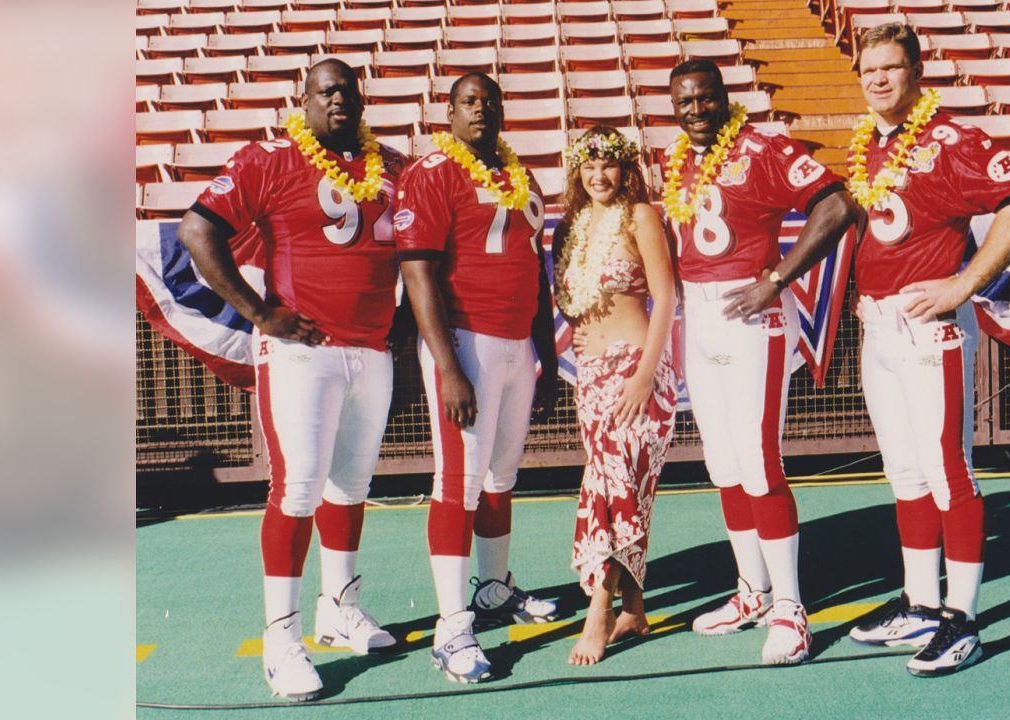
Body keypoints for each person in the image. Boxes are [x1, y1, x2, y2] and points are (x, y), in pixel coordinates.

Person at [177, 59, 405, 701]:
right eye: (325, 91)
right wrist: (260, 312)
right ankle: (281, 638)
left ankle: (339, 607)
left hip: (372, 347)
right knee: (298, 487)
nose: (339, 99)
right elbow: (198, 231)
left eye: (348, 90)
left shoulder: (389, 164)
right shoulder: (267, 159)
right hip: (303, 350)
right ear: (301, 100)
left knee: (351, 484)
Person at [843, 22, 1010, 677]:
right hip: (880, 329)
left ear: (916, 71)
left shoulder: (949, 138)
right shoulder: (870, 145)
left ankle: (963, 619)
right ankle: (920, 602)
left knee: (947, 471)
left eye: (890, 68)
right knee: (903, 472)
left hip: (929, 331)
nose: (877, 79)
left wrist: (964, 281)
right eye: (868, 69)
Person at [662, 60, 857, 665]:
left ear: (725, 98)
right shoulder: (681, 161)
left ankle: (791, 609)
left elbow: (837, 205)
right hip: (700, 315)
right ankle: (752, 590)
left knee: (757, 456)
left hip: (752, 315)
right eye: (684, 101)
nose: (696, 110)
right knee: (722, 461)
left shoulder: (763, 146)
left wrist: (777, 278)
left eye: (705, 98)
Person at [393, 72, 560, 684]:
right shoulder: (435, 170)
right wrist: (449, 367)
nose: (481, 110)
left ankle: (492, 588)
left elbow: (535, 273)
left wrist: (542, 355)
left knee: (500, 476)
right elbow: (417, 273)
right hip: (466, 340)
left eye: (490, 101)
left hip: (516, 343)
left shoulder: (520, 174)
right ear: (451, 111)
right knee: (458, 484)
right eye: (470, 102)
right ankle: (451, 627)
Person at [551, 127, 678, 665]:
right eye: (589, 166)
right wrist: (580, 325)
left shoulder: (641, 215)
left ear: (627, 170)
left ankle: (598, 611)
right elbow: (574, 296)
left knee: (615, 490)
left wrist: (645, 376)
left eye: (609, 165)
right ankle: (635, 605)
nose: (599, 175)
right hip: (593, 375)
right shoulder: (577, 226)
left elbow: (667, 296)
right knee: (616, 486)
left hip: (636, 371)